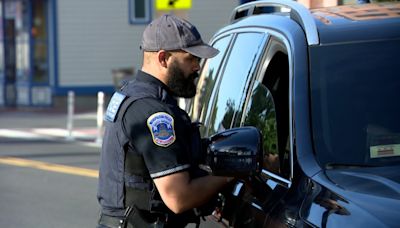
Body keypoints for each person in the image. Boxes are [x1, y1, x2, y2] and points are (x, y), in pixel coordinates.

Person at [97, 14, 233, 228]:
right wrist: (233, 175)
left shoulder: (131, 95)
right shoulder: (153, 113)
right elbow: (179, 198)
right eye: (191, 58)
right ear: (163, 58)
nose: (198, 67)